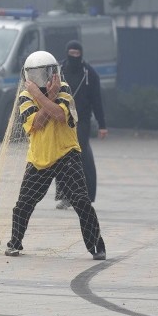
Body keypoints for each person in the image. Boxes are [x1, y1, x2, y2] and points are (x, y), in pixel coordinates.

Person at [6, 51, 106, 260]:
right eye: (37, 72)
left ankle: (97, 247)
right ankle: (15, 242)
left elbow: (60, 115)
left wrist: (43, 97)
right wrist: (48, 98)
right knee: (24, 204)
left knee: (81, 200)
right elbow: (37, 123)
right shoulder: (25, 96)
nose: (43, 76)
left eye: (47, 71)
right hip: (39, 157)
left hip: (66, 153)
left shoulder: (65, 90)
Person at [55, 40, 108, 208]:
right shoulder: (59, 71)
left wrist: (102, 125)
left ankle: (85, 196)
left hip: (82, 120)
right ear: (66, 53)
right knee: (62, 157)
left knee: (81, 155)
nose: (75, 57)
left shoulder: (90, 74)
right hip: (61, 119)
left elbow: (97, 101)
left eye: (77, 54)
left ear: (82, 54)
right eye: (72, 54)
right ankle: (65, 196)